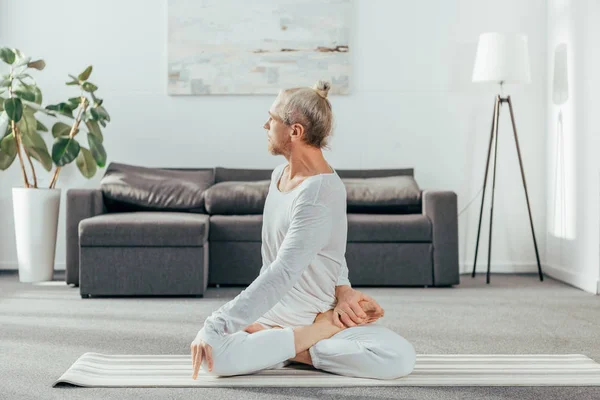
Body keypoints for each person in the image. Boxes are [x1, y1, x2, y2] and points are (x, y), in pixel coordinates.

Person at [191, 80, 416, 380]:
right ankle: (299, 338)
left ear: (294, 131)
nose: (265, 124)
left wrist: (217, 324)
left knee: (398, 358)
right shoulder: (278, 176)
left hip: (314, 315)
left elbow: (284, 272)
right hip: (273, 313)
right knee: (212, 356)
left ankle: (298, 340)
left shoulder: (320, 192)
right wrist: (345, 290)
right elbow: (320, 250)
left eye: (271, 118)